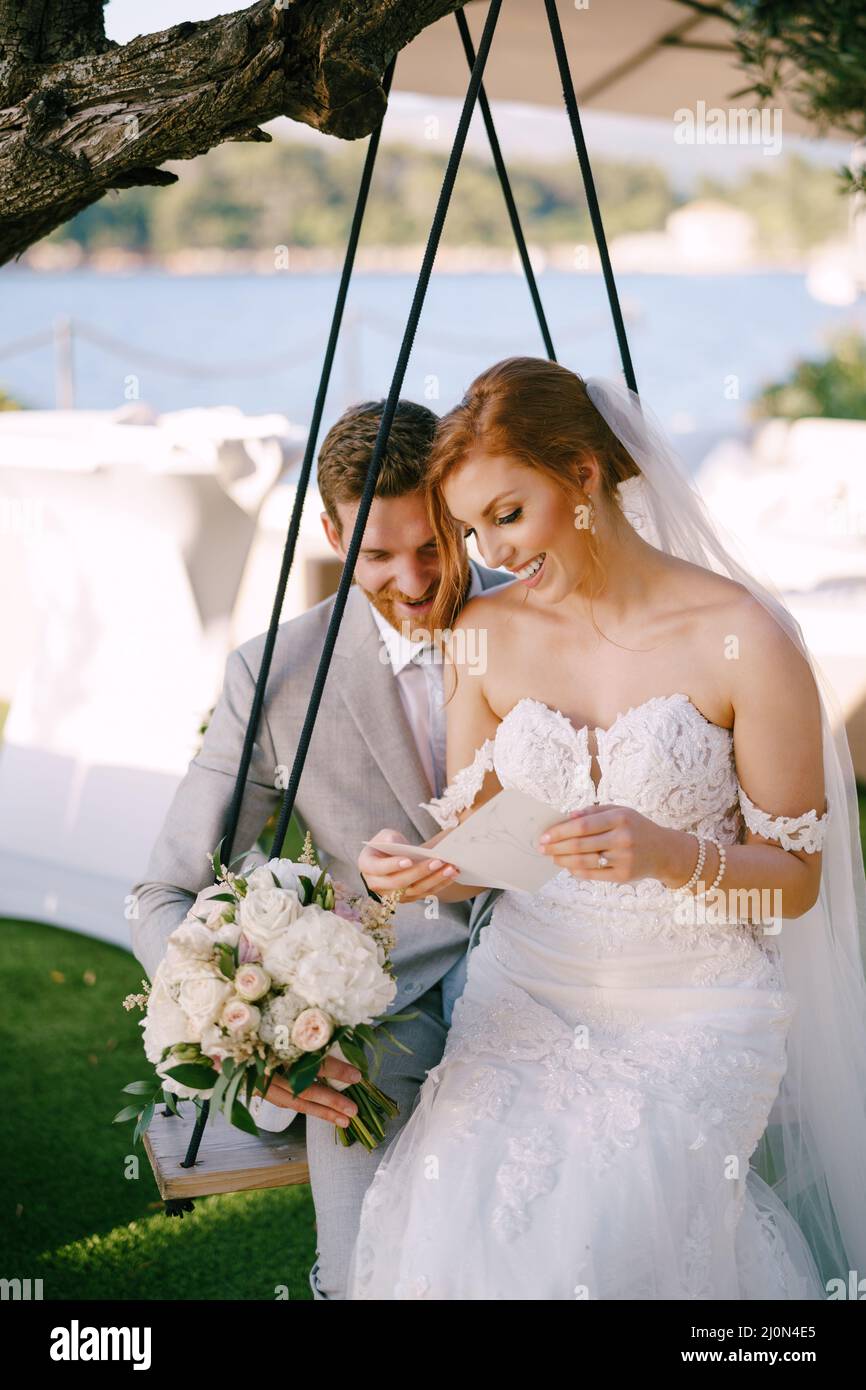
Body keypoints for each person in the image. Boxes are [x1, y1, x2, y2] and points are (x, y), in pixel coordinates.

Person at [351, 356, 866, 1300]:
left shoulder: (743, 636)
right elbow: (482, 843)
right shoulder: (484, 634)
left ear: (584, 475)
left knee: (600, 1221)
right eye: (471, 528)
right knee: (458, 1210)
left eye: (508, 514)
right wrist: (421, 867)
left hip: (694, 1003)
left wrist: (671, 854)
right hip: (527, 990)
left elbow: (796, 879)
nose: (492, 550)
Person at [128, 398, 513, 1300]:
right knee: (363, 1277)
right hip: (376, 1029)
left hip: (552, 981)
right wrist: (253, 1037)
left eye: (434, 545)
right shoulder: (274, 674)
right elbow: (164, 892)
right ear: (333, 532)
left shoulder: (543, 620)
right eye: (378, 554)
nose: (415, 582)